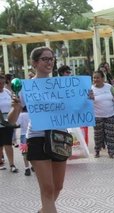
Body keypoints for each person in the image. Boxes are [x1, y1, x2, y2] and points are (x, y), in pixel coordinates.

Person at [7, 46, 69, 212]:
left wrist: (86, 100)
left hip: (60, 138)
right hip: (37, 138)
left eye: (51, 58)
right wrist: (17, 107)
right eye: (45, 59)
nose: (50, 62)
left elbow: (76, 109)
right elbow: (11, 121)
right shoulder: (26, 87)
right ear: (34, 63)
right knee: (47, 188)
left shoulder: (63, 85)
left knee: (58, 186)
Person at [91, 70, 114, 159]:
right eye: (94, 78)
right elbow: (87, 102)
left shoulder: (109, 87)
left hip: (110, 115)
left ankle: (112, 152)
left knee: (110, 135)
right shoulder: (91, 89)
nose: (96, 79)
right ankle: (97, 151)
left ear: (103, 78)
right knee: (98, 135)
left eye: (98, 77)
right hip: (97, 116)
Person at [0, 74, 18, 173]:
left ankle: (12, 164)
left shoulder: (7, 92)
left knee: (8, 143)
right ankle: (1, 163)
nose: (1, 85)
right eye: (0, 83)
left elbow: (13, 104)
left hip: (8, 121)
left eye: (3, 83)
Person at [16, 106, 34, 176]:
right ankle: (34, 166)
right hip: (32, 135)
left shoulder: (21, 115)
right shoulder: (32, 114)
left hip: (23, 135)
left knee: (25, 152)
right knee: (32, 151)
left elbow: (17, 123)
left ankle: (27, 168)